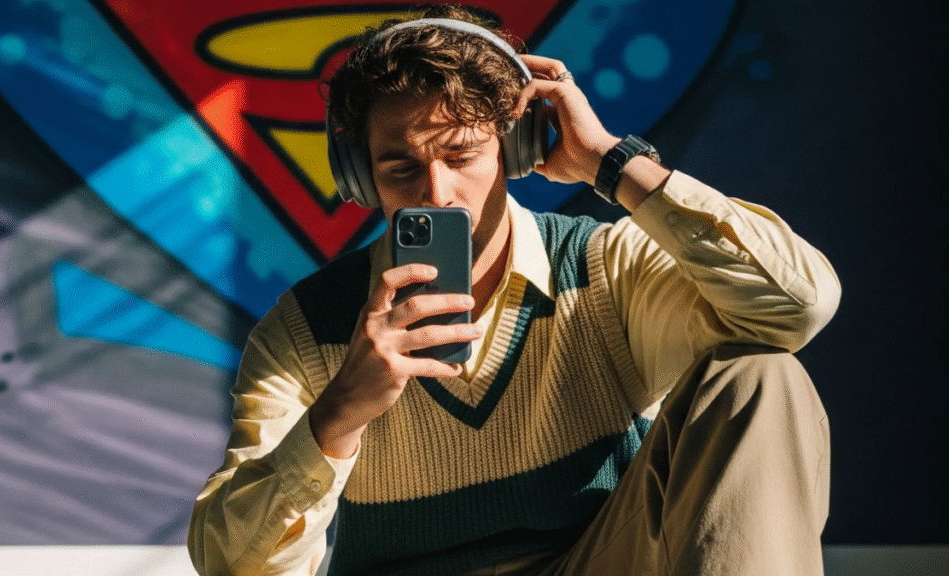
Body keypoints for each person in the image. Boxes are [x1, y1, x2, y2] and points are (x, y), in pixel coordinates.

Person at [188, 5, 840, 576]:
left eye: (462, 155)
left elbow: (798, 306)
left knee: (761, 376)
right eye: (401, 167)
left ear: (517, 147)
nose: (437, 193)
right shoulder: (306, 330)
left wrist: (611, 163)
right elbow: (230, 564)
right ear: (362, 176)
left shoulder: (607, 268)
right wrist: (335, 417)